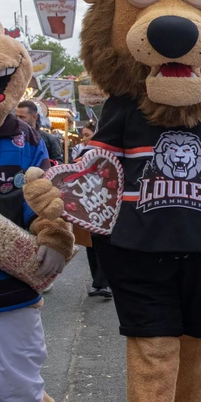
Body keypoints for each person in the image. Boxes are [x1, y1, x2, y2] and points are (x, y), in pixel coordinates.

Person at [72, 123, 111, 298]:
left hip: (106, 203)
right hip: (88, 203)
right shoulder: (83, 153)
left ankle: (104, 283)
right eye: (84, 135)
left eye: (88, 134)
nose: (85, 138)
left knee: (103, 242)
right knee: (91, 245)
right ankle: (99, 282)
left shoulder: (108, 150)